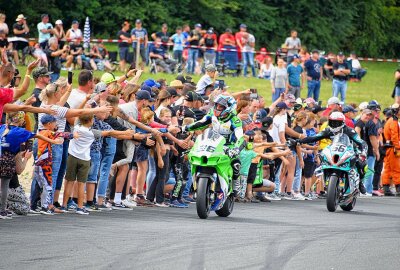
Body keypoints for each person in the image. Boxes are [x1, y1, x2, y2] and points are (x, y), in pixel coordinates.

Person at [184, 95, 244, 196]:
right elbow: (201, 123)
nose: (217, 108)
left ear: (228, 108)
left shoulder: (235, 120)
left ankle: (235, 185)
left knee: (236, 163)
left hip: (228, 146)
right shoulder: (212, 113)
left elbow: (240, 137)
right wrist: (186, 128)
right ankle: (196, 185)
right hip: (214, 143)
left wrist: (236, 149)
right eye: (216, 105)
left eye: (221, 107)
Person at [299, 111, 368, 194]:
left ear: (342, 123)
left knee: (361, 163)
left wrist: (363, 152)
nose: (334, 125)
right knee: (323, 159)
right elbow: (313, 137)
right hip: (334, 150)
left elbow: (361, 141)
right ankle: (327, 180)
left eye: (337, 123)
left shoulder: (349, 131)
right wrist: (299, 141)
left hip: (349, 150)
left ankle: (360, 182)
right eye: (332, 122)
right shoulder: (328, 130)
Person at [381, 104, 400, 196]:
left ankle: (386, 188)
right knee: (396, 168)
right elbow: (395, 136)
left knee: (387, 168)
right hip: (393, 148)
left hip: (389, 148)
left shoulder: (389, 120)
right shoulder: (394, 121)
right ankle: (398, 187)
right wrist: (398, 147)